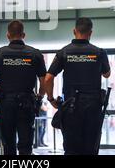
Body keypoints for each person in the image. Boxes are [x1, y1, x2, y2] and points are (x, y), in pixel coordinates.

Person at [45, 17, 111, 155]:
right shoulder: (99, 52)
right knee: (90, 149)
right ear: (90, 33)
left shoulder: (64, 52)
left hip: (71, 107)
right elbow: (107, 74)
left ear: (74, 31)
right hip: (93, 107)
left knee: (71, 149)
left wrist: (51, 99)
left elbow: (48, 78)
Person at [0, 20, 46, 155]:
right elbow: (44, 82)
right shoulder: (35, 54)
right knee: (26, 145)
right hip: (27, 103)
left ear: (8, 35)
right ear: (24, 35)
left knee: (8, 145)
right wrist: (40, 96)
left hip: (6, 104)